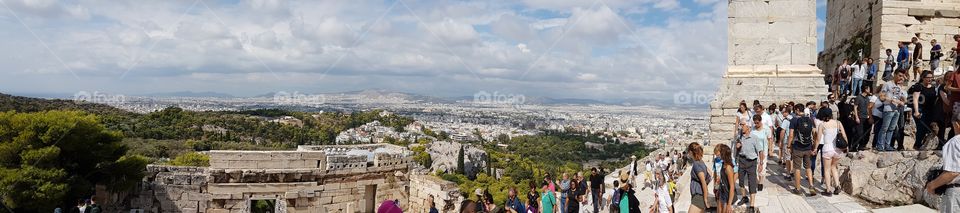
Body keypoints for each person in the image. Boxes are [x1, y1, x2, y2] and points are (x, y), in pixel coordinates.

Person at [924, 111, 960, 212]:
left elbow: (952, 172)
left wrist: (932, 185)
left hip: (957, 194)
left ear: (956, 124)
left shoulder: (955, 142)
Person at [735, 115, 764, 212]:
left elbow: (760, 151)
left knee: (752, 183)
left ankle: (752, 205)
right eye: (740, 125)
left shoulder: (754, 138)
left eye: (742, 125)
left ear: (748, 127)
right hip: (742, 160)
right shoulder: (739, 137)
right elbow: (737, 150)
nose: (740, 126)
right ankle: (744, 197)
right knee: (741, 181)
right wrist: (737, 147)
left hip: (752, 162)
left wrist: (761, 164)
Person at [814, 108, 847, 196]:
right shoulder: (838, 123)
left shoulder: (822, 124)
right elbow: (844, 135)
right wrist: (845, 147)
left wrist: (815, 149)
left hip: (827, 148)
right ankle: (837, 186)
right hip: (837, 150)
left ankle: (828, 190)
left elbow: (818, 139)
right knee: (834, 168)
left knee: (827, 169)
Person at [788, 103, 818, 196]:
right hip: (808, 147)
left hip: (797, 147)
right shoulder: (810, 119)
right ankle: (811, 186)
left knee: (797, 168)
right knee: (808, 167)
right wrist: (814, 144)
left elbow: (791, 135)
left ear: (797, 110)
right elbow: (814, 132)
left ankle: (798, 188)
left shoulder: (794, 120)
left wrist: (789, 146)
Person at [913, 70, 944, 150]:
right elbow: (915, 99)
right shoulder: (919, 86)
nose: (930, 79)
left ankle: (926, 145)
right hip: (921, 110)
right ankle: (917, 145)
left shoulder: (934, 88)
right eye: (928, 77)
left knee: (930, 129)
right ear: (923, 78)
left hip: (931, 111)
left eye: (931, 78)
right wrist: (916, 111)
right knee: (921, 128)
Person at [879, 71, 907, 151]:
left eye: (902, 76)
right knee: (884, 128)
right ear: (894, 74)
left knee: (891, 129)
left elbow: (902, 97)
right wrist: (892, 100)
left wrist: (903, 101)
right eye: (899, 75)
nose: (901, 77)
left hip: (897, 110)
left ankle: (887, 146)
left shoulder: (899, 86)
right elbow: (881, 97)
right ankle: (880, 145)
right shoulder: (887, 84)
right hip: (888, 109)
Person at [687, 142, 711, 213]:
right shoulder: (701, 162)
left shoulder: (696, 164)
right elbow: (710, 174)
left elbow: (703, 181)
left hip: (699, 196)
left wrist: (706, 199)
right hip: (700, 195)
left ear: (691, 152)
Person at [715, 144, 736, 213]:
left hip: (727, 195)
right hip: (722, 192)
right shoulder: (723, 164)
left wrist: (729, 204)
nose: (717, 156)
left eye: (718, 154)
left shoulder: (728, 168)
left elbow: (732, 186)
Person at [853, 85, 874, 153]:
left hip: (867, 118)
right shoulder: (858, 97)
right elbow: (855, 107)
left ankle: (862, 145)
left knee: (867, 133)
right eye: (869, 88)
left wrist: (870, 117)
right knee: (859, 133)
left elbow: (869, 108)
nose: (870, 90)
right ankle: (854, 147)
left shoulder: (868, 98)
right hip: (860, 117)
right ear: (865, 89)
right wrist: (856, 117)